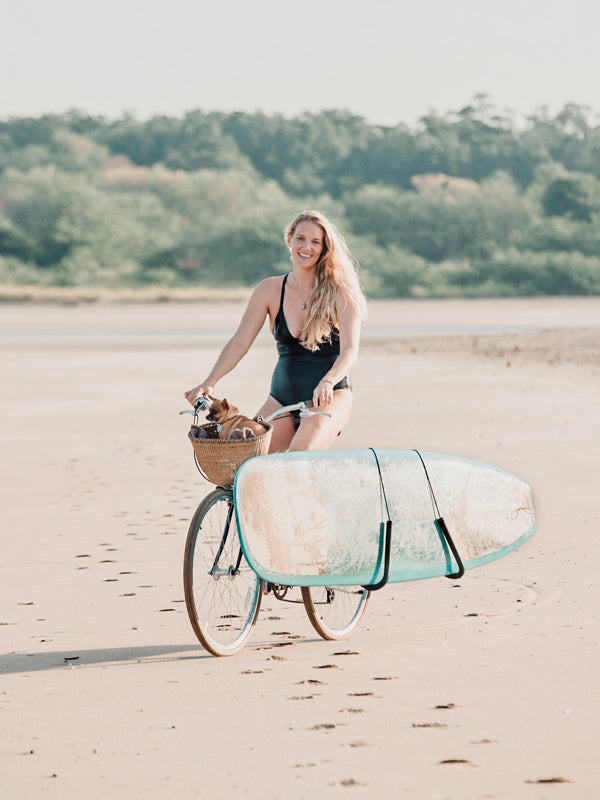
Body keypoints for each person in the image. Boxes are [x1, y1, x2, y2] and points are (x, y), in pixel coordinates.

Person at [184, 210, 367, 452]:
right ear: (289, 239)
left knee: (299, 455)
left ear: (324, 249)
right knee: (244, 454)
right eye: (300, 238)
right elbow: (240, 342)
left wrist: (328, 380)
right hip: (281, 399)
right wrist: (210, 381)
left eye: (315, 242)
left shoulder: (341, 292)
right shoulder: (269, 290)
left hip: (329, 396)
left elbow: (351, 351)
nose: (306, 247)